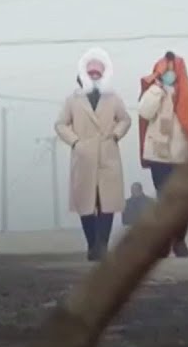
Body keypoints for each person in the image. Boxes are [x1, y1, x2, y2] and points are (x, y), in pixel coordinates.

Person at [55, 48, 131, 261]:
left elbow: (125, 119)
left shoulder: (113, 98)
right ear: (83, 76)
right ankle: (92, 244)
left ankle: (103, 245)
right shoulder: (73, 100)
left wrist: (116, 135)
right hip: (84, 156)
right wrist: (75, 142)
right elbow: (61, 124)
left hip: (108, 154)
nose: (95, 78)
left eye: (98, 74)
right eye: (91, 74)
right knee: (86, 204)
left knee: (107, 203)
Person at [137, 51, 188, 257]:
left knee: (183, 201)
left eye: (172, 71)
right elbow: (144, 112)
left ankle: (179, 239)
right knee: (164, 200)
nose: (169, 74)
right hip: (159, 157)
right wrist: (157, 88)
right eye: (165, 71)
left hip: (182, 157)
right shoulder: (154, 91)